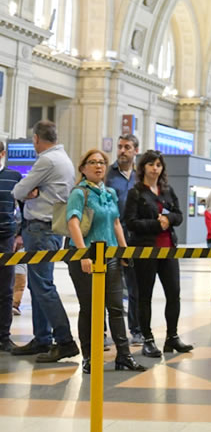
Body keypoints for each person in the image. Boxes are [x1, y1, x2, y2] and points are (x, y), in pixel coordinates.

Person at [65, 149, 145, 374]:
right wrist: (82, 254)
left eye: (101, 162)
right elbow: (73, 223)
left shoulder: (109, 192)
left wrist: (124, 251)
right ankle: (89, 357)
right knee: (89, 309)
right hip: (86, 258)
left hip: (110, 257)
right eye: (92, 162)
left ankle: (124, 356)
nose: (98, 166)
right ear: (83, 168)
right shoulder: (79, 193)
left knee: (116, 307)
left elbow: (117, 223)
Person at [10, 120, 79, 363]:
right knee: (38, 285)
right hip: (49, 229)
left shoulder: (47, 160)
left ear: (37, 139)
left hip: (40, 228)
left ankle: (65, 340)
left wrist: (29, 191)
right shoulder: (64, 159)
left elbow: (18, 191)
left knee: (43, 287)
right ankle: (42, 338)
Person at [124, 150, 192, 357]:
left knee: (174, 294)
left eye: (159, 165)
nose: (155, 168)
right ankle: (147, 339)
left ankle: (172, 337)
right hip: (145, 250)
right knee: (144, 297)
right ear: (143, 167)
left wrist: (169, 219)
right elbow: (131, 222)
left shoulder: (167, 190)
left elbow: (179, 215)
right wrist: (156, 223)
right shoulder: (136, 192)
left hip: (168, 249)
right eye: (151, 164)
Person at [106, 133, 143, 345]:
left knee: (135, 285)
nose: (122, 151)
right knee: (109, 284)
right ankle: (103, 331)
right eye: (120, 147)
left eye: (127, 147)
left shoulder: (140, 176)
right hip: (111, 236)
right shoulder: (108, 174)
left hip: (135, 237)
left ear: (135, 150)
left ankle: (136, 329)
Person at [0, 141, 22, 352]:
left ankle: (4, 336)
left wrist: (20, 234)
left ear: (2, 153)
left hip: (5, 238)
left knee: (6, 290)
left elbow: (24, 206)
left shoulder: (14, 177)